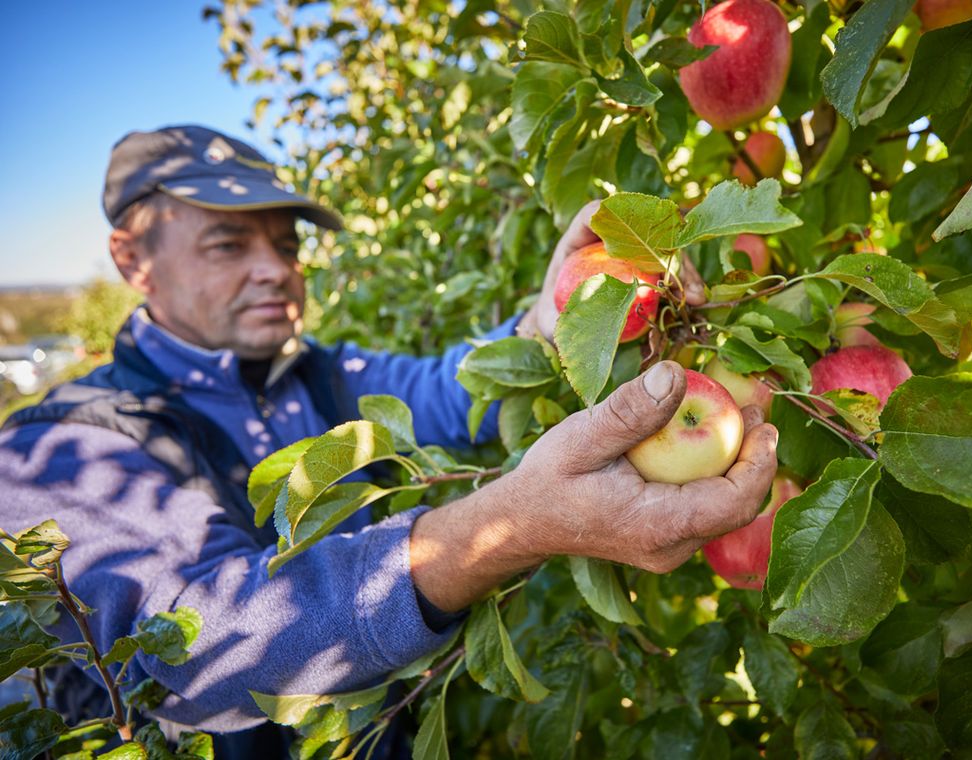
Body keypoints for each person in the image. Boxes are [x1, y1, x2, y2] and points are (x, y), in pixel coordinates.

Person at [0, 125, 778, 753]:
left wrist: (554, 322)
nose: (276, 271)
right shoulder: (60, 450)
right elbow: (200, 644)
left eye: (288, 245)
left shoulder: (322, 377)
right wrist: (507, 529)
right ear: (132, 259)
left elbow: (453, 387)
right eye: (228, 245)